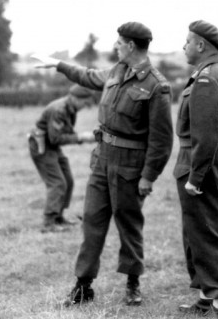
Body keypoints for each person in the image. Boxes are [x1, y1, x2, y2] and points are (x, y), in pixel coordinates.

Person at [32, 21, 174, 307]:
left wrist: (148, 177)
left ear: (131, 45)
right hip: (102, 161)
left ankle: (133, 282)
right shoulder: (115, 72)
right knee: (92, 224)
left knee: (129, 226)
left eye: (119, 42)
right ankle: (83, 286)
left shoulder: (157, 86)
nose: (115, 46)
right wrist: (58, 64)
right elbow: (85, 76)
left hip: (130, 167)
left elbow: (162, 140)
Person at [174, 20, 218, 317]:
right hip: (210, 158)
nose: (184, 46)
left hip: (201, 162)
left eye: (187, 42)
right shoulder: (217, 73)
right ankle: (205, 297)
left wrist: (197, 177)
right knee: (196, 231)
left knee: (208, 231)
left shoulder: (207, 79)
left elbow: (207, 134)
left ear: (201, 45)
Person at [28, 84, 96, 233]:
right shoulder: (59, 110)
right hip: (42, 145)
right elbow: (55, 138)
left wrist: (84, 137)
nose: (85, 106)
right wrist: (80, 137)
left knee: (68, 180)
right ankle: (48, 222)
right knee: (57, 183)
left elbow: (66, 131)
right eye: (84, 103)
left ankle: (58, 217)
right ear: (74, 98)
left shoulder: (71, 108)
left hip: (51, 145)